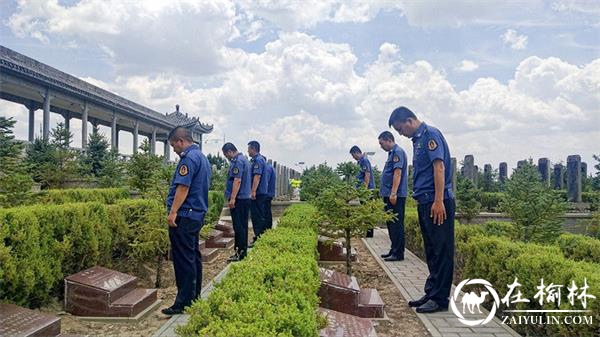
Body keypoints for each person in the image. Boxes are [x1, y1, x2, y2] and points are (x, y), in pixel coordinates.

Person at [388, 106, 455, 314]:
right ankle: (431, 291)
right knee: (432, 250)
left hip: (437, 201)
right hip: (425, 201)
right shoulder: (418, 140)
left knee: (441, 250)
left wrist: (438, 201)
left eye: (400, 129)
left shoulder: (430, 135)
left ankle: (440, 299)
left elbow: (439, 167)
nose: (400, 133)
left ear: (409, 121)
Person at [163, 127, 211, 316]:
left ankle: (182, 302)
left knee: (183, 259)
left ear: (181, 141)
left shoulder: (188, 159)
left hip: (184, 215)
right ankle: (193, 296)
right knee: (192, 256)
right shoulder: (202, 157)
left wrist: (173, 212)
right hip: (196, 214)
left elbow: (183, 187)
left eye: (174, 145)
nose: (174, 149)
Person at [377, 131, 408, 262]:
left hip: (395, 195)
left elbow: (397, 173)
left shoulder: (398, 152)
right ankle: (393, 249)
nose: (381, 146)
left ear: (389, 140)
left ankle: (398, 253)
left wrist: (394, 192)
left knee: (396, 224)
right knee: (391, 223)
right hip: (389, 194)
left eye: (382, 143)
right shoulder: (392, 153)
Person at [222, 142, 251, 262]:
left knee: (239, 227)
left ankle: (240, 252)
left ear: (230, 151)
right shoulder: (244, 159)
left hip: (239, 199)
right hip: (244, 198)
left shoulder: (237, 161)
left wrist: (233, 198)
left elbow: (237, 180)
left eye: (226, 155)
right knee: (242, 226)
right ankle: (242, 251)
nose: (226, 157)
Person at [247, 140, 269, 243]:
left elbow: (257, 176)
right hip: (260, 193)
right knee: (258, 216)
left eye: (249, 149)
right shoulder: (258, 160)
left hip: (258, 193)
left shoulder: (258, 160)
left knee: (257, 217)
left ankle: (259, 237)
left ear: (253, 149)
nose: (247, 151)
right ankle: (259, 236)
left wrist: (253, 191)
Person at [265, 162, 276, 231]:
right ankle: (268, 228)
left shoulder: (267, 168)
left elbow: (266, 181)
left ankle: (267, 229)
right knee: (267, 212)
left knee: (266, 213)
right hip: (269, 193)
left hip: (266, 194)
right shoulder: (270, 167)